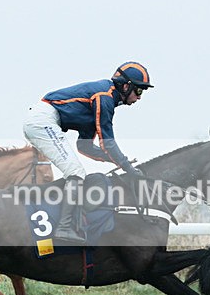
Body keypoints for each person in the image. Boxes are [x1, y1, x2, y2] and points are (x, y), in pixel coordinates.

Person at [22, 61, 152, 244]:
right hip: (43, 121)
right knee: (75, 173)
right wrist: (128, 168)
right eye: (139, 91)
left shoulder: (104, 100)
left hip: (43, 121)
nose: (139, 97)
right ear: (126, 86)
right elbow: (108, 143)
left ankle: (68, 224)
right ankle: (65, 228)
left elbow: (85, 147)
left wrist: (115, 160)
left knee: (75, 172)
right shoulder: (104, 97)